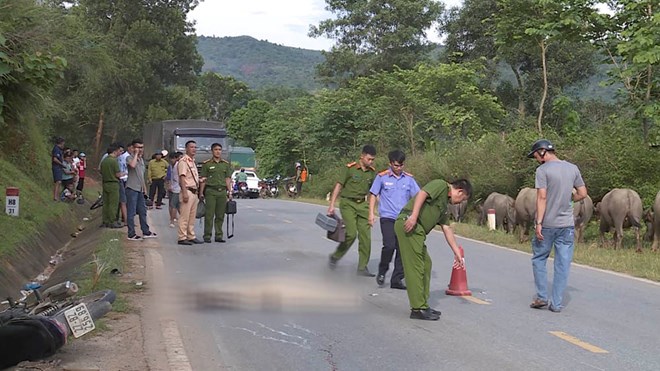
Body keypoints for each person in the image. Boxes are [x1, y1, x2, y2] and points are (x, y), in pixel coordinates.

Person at [394, 178, 472, 320]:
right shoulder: (441, 185)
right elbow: (422, 193)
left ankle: (423, 304)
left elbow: (446, 228)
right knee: (416, 267)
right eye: (461, 200)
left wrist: (456, 252)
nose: (459, 203)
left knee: (426, 265)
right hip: (410, 224)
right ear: (460, 192)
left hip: (418, 231)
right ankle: (417, 308)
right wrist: (414, 216)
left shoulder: (443, 206)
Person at [527, 139, 587, 313]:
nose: (536, 159)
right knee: (563, 263)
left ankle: (541, 297)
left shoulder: (542, 170)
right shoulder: (572, 168)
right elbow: (583, 193)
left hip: (547, 224)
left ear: (543, 152)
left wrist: (539, 222)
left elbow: (542, 198)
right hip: (567, 225)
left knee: (539, 258)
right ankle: (557, 303)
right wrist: (569, 199)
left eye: (536, 156)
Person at [368, 150, 420, 289]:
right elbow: (373, 194)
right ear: (390, 163)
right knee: (389, 245)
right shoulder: (382, 177)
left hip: (403, 218)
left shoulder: (409, 179)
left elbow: (418, 196)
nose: (399, 168)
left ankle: (396, 279)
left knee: (402, 249)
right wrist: (371, 213)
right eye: (396, 165)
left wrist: (415, 215)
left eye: (401, 165)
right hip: (388, 217)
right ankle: (382, 271)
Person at [327, 145, 377, 276]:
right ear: (362, 156)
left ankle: (362, 267)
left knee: (366, 237)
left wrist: (373, 211)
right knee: (351, 234)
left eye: (373, 160)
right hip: (348, 203)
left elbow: (373, 192)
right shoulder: (350, 168)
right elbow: (339, 185)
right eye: (369, 159)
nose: (371, 162)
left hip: (363, 205)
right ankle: (335, 257)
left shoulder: (372, 172)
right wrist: (331, 205)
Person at [199, 143, 233, 243]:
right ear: (212, 151)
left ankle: (219, 235)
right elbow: (203, 179)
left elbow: (227, 179)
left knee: (220, 215)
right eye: (216, 149)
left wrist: (229, 192)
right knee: (209, 215)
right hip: (211, 191)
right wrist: (201, 193)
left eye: (219, 149)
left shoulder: (225, 164)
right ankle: (207, 236)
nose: (218, 151)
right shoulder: (207, 164)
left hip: (222, 191)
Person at [125, 139, 158, 241]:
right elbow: (132, 166)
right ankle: (131, 233)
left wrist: (144, 189)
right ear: (133, 148)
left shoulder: (142, 160)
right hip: (131, 188)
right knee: (131, 212)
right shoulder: (129, 158)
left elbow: (141, 175)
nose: (140, 150)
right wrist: (135, 154)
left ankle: (146, 231)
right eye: (138, 147)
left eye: (142, 147)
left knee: (143, 211)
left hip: (139, 189)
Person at [177, 140, 203, 245]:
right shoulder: (184, 161)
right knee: (184, 216)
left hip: (194, 191)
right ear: (186, 148)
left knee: (192, 216)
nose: (194, 149)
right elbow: (182, 178)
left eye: (195, 147)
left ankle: (190, 235)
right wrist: (184, 193)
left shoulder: (192, 161)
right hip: (187, 191)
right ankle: (182, 237)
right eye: (191, 147)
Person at [99, 144, 123, 229]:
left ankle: (105, 220)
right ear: (114, 151)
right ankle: (112, 221)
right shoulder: (114, 161)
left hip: (105, 183)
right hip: (113, 184)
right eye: (118, 151)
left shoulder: (104, 161)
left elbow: (100, 171)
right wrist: (123, 174)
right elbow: (118, 174)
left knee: (106, 203)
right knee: (113, 203)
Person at [166, 152, 183, 228]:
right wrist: (169, 185)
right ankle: (179, 219)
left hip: (178, 188)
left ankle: (172, 221)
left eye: (173, 158)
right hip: (172, 187)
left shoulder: (178, 165)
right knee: (176, 205)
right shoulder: (170, 166)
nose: (172, 160)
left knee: (174, 205)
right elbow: (169, 176)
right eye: (171, 158)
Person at [117, 143, 131, 225]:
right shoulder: (123, 157)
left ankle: (124, 218)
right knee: (123, 201)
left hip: (125, 179)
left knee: (125, 200)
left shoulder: (123, 157)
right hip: (122, 180)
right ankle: (125, 220)